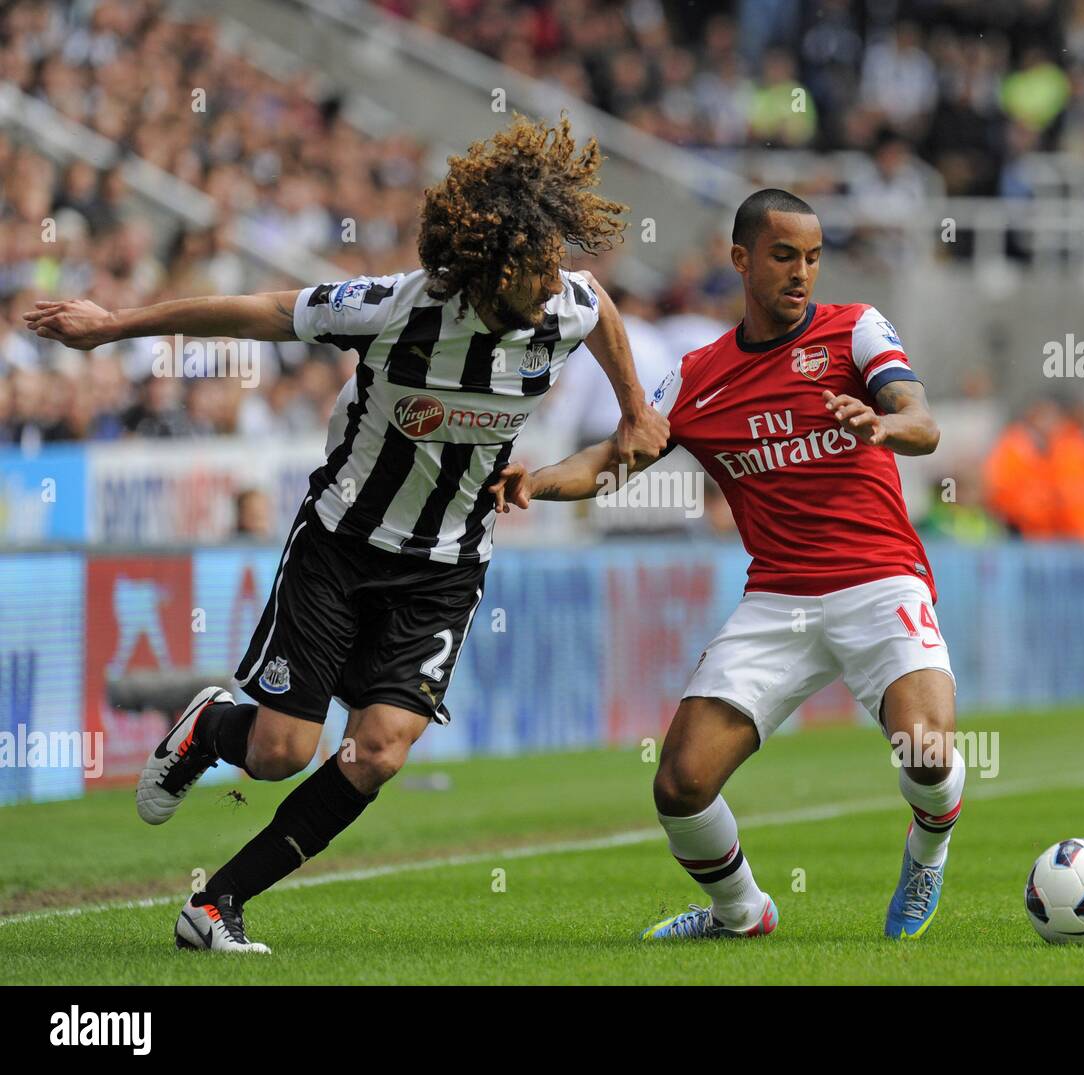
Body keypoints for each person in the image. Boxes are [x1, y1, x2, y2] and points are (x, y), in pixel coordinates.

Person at [24, 115, 669, 953]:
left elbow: (604, 307)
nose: (557, 283)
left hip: (447, 566)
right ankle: (207, 729)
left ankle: (214, 905)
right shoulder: (398, 308)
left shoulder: (566, 305)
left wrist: (635, 407)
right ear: (489, 269)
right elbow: (259, 310)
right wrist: (114, 325)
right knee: (280, 752)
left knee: (378, 752)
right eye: (538, 269)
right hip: (339, 545)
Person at [489, 189, 960, 941]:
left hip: (880, 580)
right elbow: (617, 457)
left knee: (928, 750)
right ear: (740, 259)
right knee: (679, 783)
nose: (801, 272)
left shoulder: (855, 330)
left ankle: (927, 851)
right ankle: (741, 913)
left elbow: (923, 422)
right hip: (779, 599)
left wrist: (884, 422)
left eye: (811, 257)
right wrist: (534, 480)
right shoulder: (699, 377)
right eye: (783, 256)